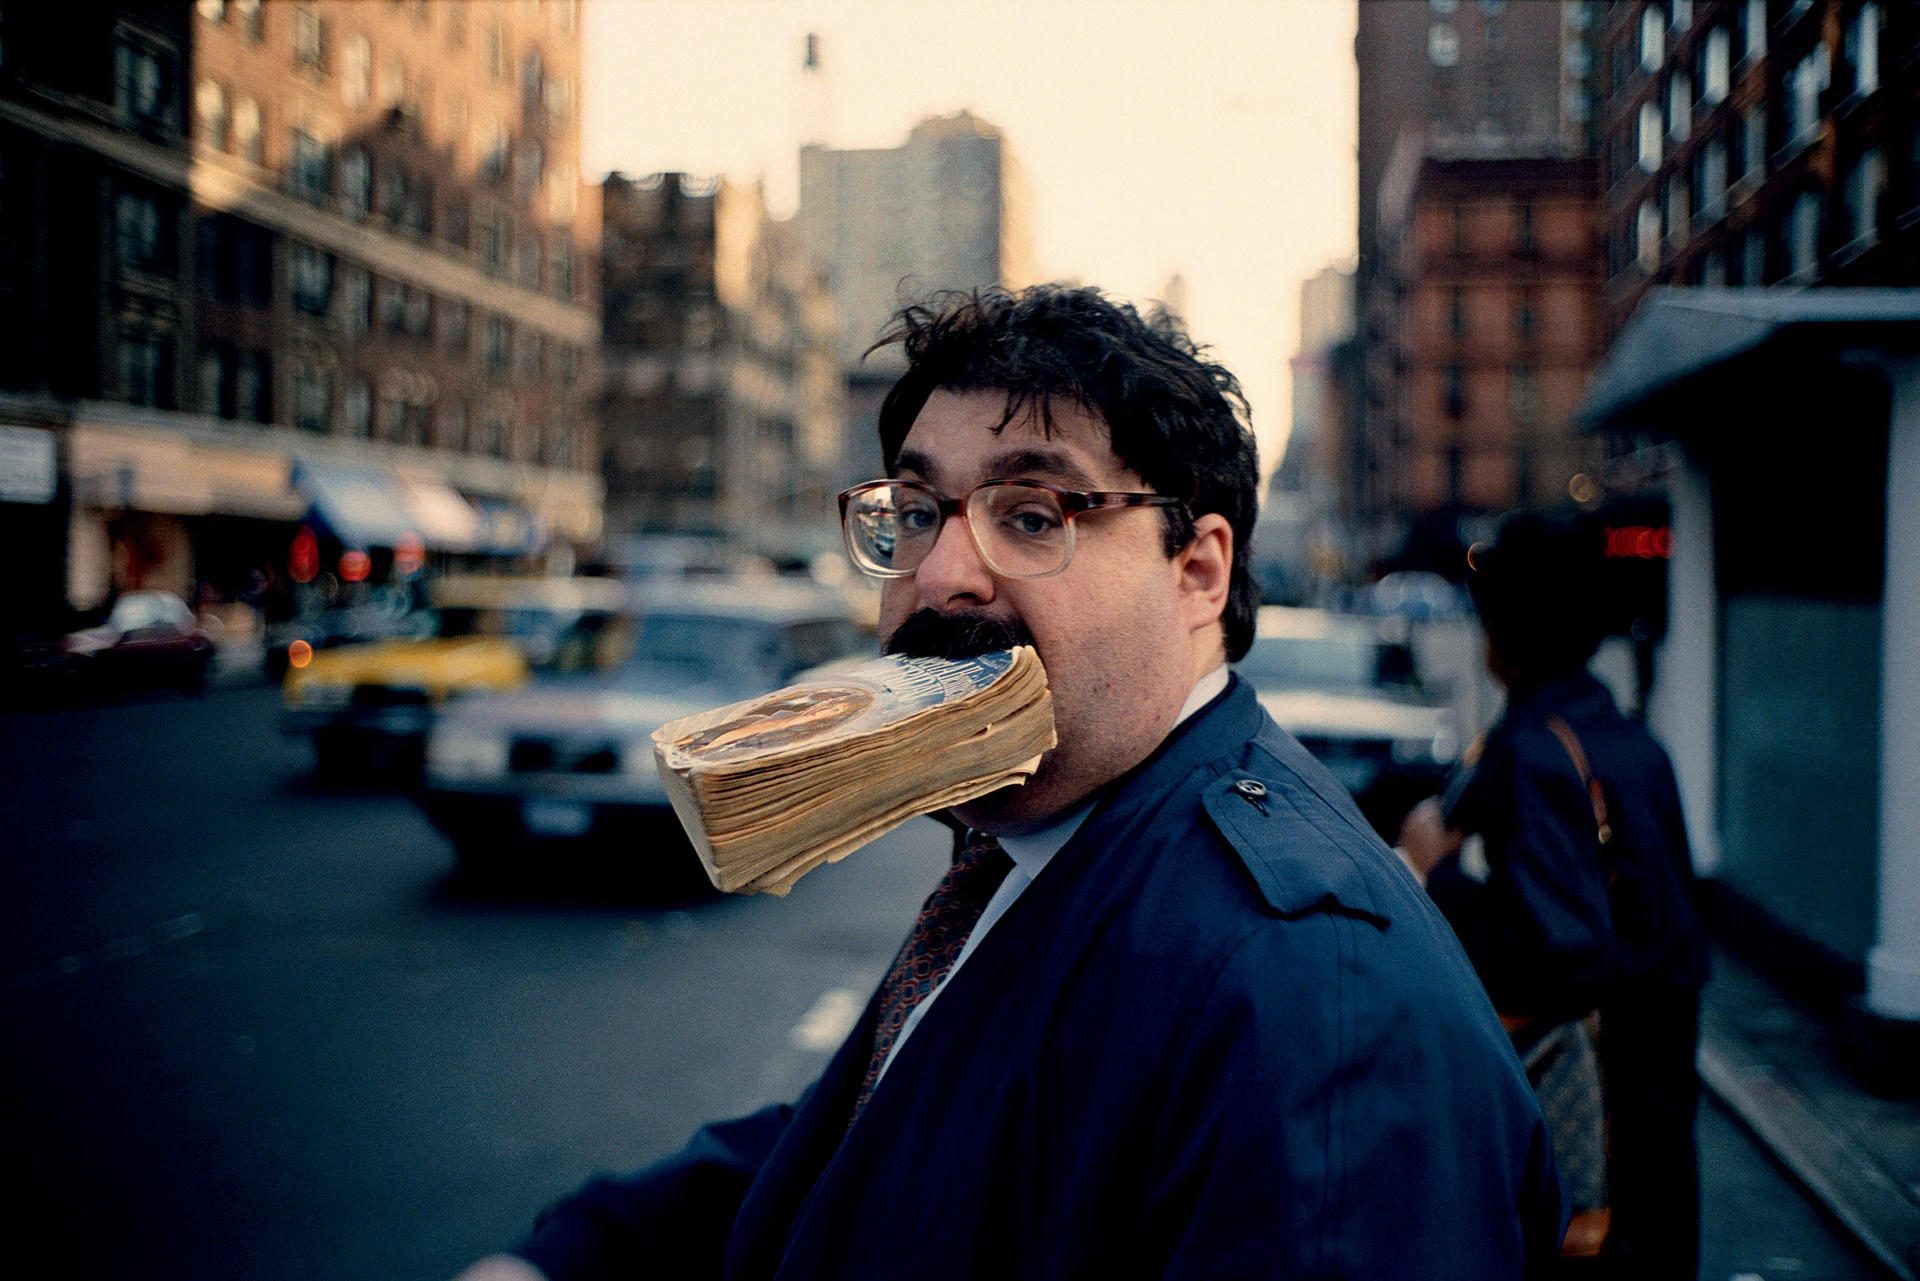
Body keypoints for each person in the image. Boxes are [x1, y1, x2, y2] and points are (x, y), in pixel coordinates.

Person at [458, 286, 1564, 1281]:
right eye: (919, 511)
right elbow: (886, 1136)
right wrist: (572, 1257)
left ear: (1197, 574)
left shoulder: (1314, 993)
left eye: (1032, 515)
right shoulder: (1030, 837)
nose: (941, 573)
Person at [1397, 512, 1710, 1279]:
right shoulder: (1631, 741)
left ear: (1502, 622)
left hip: (1591, 1120)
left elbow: (1555, 952)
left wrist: (1430, 867)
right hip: (1657, 1107)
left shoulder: (1534, 752)